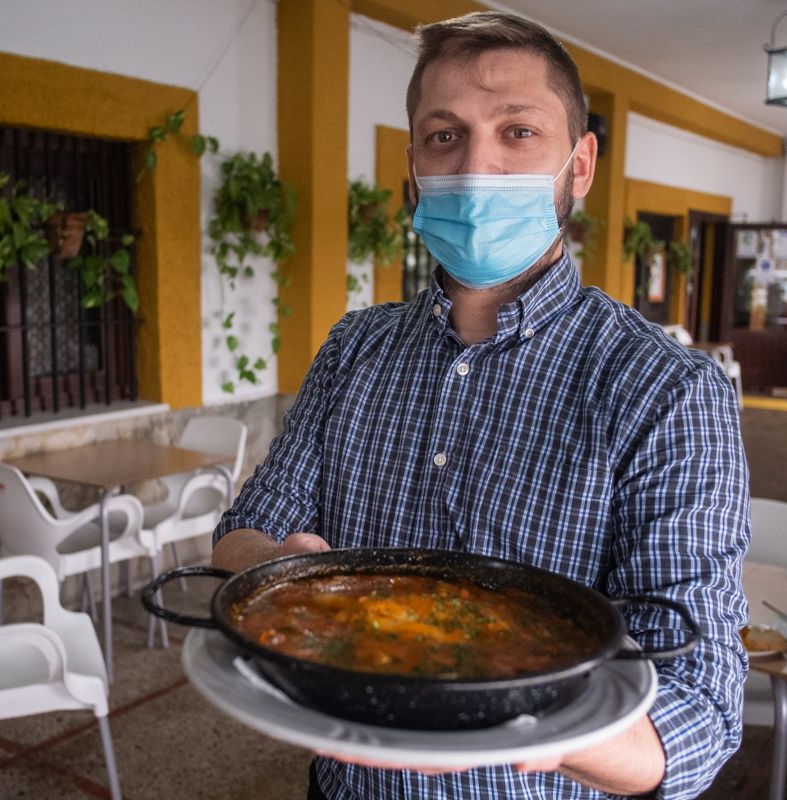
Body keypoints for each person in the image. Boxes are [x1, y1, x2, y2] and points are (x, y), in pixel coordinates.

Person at [213, 10, 748, 800]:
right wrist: (299, 591)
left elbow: (700, 707)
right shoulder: (354, 349)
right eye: (444, 135)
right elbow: (241, 535)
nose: (478, 165)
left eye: (519, 132)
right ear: (413, 168)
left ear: (581, 162)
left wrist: (543, 730)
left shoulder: (667, 391)